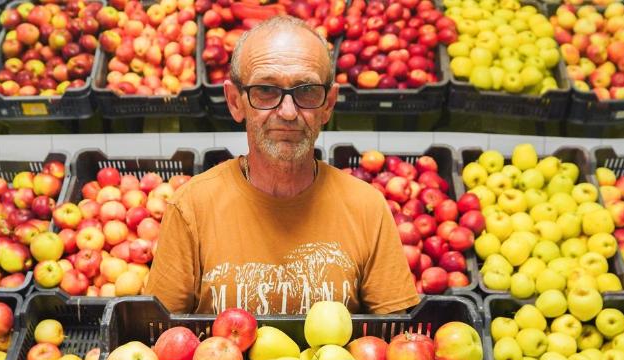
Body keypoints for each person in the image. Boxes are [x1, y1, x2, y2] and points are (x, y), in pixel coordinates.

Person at [142, 15, 419, 315]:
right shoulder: (191, 209)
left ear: (328, 104)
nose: (288, 112)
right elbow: (158, 340)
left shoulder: (367, 208)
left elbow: (396, 345)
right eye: (266, 90)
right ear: (235, 101)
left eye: (307, 90)